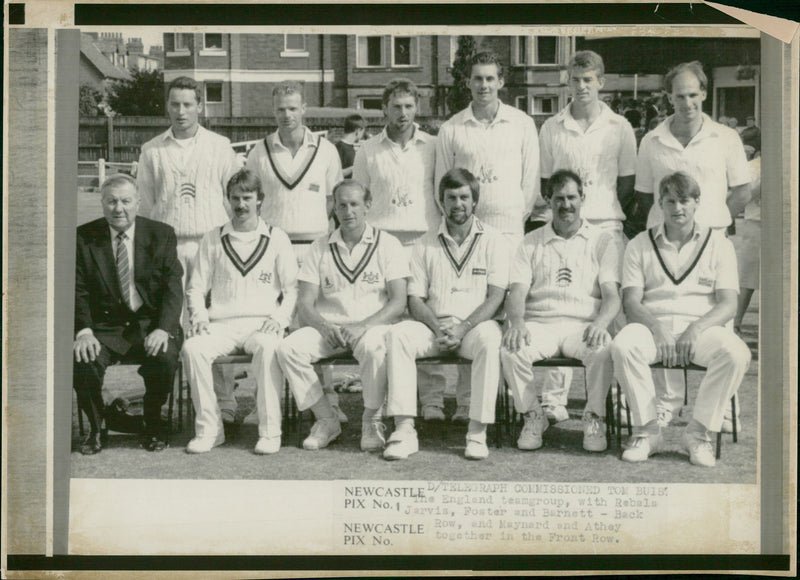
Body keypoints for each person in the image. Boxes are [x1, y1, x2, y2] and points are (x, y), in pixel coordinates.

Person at [633, 61, 751, 429]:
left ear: (704, 93)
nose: (687, 103)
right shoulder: (652, 140)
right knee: (666, 315)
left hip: (712, 241)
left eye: (693, 95)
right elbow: (642, 195)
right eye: (679, 95)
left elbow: (743, 190)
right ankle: (667, 403)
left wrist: (714, 220)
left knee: (719, 323)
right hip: (665, 242)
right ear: (669, 96)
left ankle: (723, 407)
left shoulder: (726, 138)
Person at [610, 172, 751, 467]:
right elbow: (631, 301)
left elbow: (728, 304)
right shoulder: (639, 243)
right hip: (653, 325)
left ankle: (698, 433)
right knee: (623, 346)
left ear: (696, 202)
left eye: (684, 201)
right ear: (660, 204)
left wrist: (696, 328)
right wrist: (657, 327)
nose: (678, 208)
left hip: (700, 330)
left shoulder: (719, 244)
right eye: (670, 201)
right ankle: (647, 431)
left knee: (736, 353)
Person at [534, 50, 637, 425]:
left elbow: (626, 182)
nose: (582, 86)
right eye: (576, 79)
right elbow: (548, 182)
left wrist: (598, 211)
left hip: (606, 227)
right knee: (562, 307)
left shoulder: (620, 126)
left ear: (601, 82)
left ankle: (622, 396)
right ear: (568, 82)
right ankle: (553, 399)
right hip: (562, 228)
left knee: (614, 314)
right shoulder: (551, 127)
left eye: (589, 79)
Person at [436, 51, 539, 422]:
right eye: (477, 79)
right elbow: (442, 185)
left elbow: (530, 183)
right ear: (468, 82)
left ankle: (512, 400)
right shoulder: (452, 128)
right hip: (466, 233)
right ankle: (467, 402)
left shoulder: (522, 123)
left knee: (506, 316)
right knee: (468, 311)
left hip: (509, 230)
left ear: (501, 82)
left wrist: (512, 218)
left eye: (490, 79)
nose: (484, 85)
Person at [136, 76, 242, 427]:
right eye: (174, 104)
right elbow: (147, 207)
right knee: (174, 325)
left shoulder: (220, 146)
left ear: (200, 106)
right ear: (166, 106)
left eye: (187, 104)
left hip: (213, 245)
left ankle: (225, 403)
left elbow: (235, 200)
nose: (181, 111)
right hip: (168, 249)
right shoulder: (152, 150)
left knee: (213, 325)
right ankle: (183, 399)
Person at [383, 169, 509, 461]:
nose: (458, 204)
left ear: (475, 200)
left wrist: (463, 328)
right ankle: (403, 429)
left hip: (474, 327)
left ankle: (477, 432)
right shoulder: (424, 243)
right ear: (441, 202)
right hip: (434, 327)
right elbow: (415, 299)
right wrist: (438, 329)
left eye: (464, 197)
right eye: (451, 197)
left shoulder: (495, 240)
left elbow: (496, 296)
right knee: (398, 334)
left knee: (491, 339)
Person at [276, 180, 408, 451]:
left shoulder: (389, 244)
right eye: (342, 205)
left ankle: (371, 418)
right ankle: (326, 418)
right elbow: (305, 303)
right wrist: (324, 326)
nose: (348, 212)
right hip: (331, 327)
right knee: (288, 348)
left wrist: (362, 326)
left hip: (372, 326)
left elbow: (398, 301)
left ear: (368, 206)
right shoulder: (319, 247)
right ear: (334, 208)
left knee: (374, 347)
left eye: (354, 204)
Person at [500, 170, 622, 453]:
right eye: (559, 198)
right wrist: (517, 322)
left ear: (583, 198)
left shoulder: (602, 240)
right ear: (548, 200)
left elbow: (612, 296)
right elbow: (516, 292)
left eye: (572, 197)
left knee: (603, 348)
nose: (566, 205)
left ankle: (594, 418)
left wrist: (602, 323)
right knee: (510, 350)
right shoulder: (530, 241)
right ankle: (533, 415)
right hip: (540, 324)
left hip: (583, 324)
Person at [351, 78, 451, 422]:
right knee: (388, 320)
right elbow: (360, 198)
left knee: (424, 317)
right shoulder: (368, 150)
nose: (403, 113)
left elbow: (442, 194)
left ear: (417, 108)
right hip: (382, 246)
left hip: (424, 242)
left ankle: (433, 397)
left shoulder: (434, 146)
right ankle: (388, 397)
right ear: (384, 109)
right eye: (396, 106)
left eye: (409, 106)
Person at [246, 81, 346, 420]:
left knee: (318, 321)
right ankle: (264, 401)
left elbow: (333, 200)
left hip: (315, 246)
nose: (287, 115)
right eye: (280, 109)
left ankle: (328, 397)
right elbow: (252, 200)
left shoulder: (326, 150)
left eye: (293, 108)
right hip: (273, 248)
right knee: (272, 322)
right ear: (272, 111)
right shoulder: (258, 152)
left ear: (304, 108)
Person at [181, 169, 298, 455]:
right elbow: (195, 288)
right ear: (227, 200)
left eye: (247, 198)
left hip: (261, 322)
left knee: (269, 347)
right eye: (235, 198)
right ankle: (210, 429)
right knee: (193, 348)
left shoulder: (276, 237)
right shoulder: (213, 238)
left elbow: (293, 289)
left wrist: (279, 319)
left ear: (260, 200)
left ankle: (270, 432)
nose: (241, 205)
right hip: (221, 323)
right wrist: (199, 317)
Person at [73, 174, 183, 454]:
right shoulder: (83, 237)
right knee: (82, 359)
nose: (118, 208)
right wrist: (84, 331)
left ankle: (152, 421)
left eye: (125, 201)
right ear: (102, 203)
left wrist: (163, 328)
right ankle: (97, 428)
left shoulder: (162, 234)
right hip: (104, 328)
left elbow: (173, 289)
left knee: (166, 355)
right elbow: (78, 289)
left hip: (149, 325)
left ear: (138, 202)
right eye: (111, 201)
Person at [733, 142, 761, 337]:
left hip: (787, 225)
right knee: (747, 277)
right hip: (758, 224)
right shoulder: (754, 167)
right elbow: (744, 195)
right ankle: (735, 321)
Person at [335, 114, 366, 178]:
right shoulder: (339, 147)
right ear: (358, 130)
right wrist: (355, 167)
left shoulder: (349, 147)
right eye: (363, 132)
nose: (363, 135)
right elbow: (335, 173)